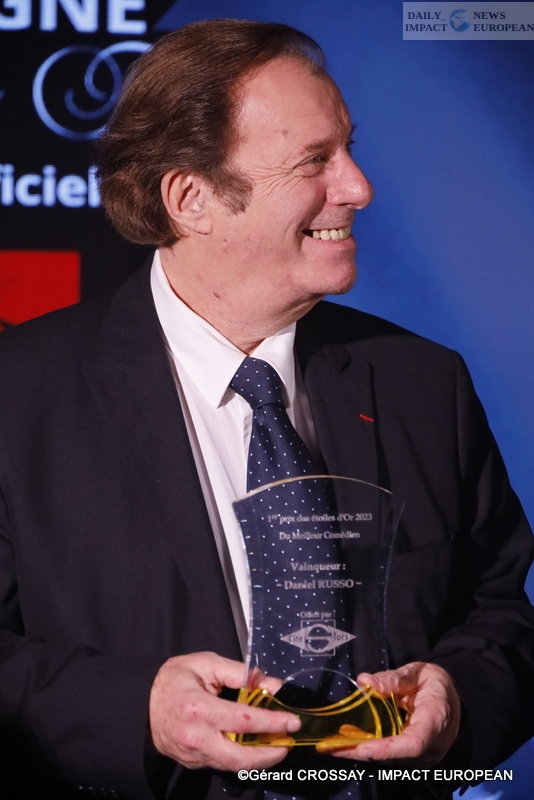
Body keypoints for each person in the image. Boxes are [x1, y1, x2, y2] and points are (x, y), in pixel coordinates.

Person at [0, 18, 533, 800]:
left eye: (348, 149)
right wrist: (138, 712)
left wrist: (455, 700)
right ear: (192, 199)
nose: (359, 188)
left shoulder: (425, 384)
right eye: (315, 160)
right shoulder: (19, 396)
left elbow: (503, 617)